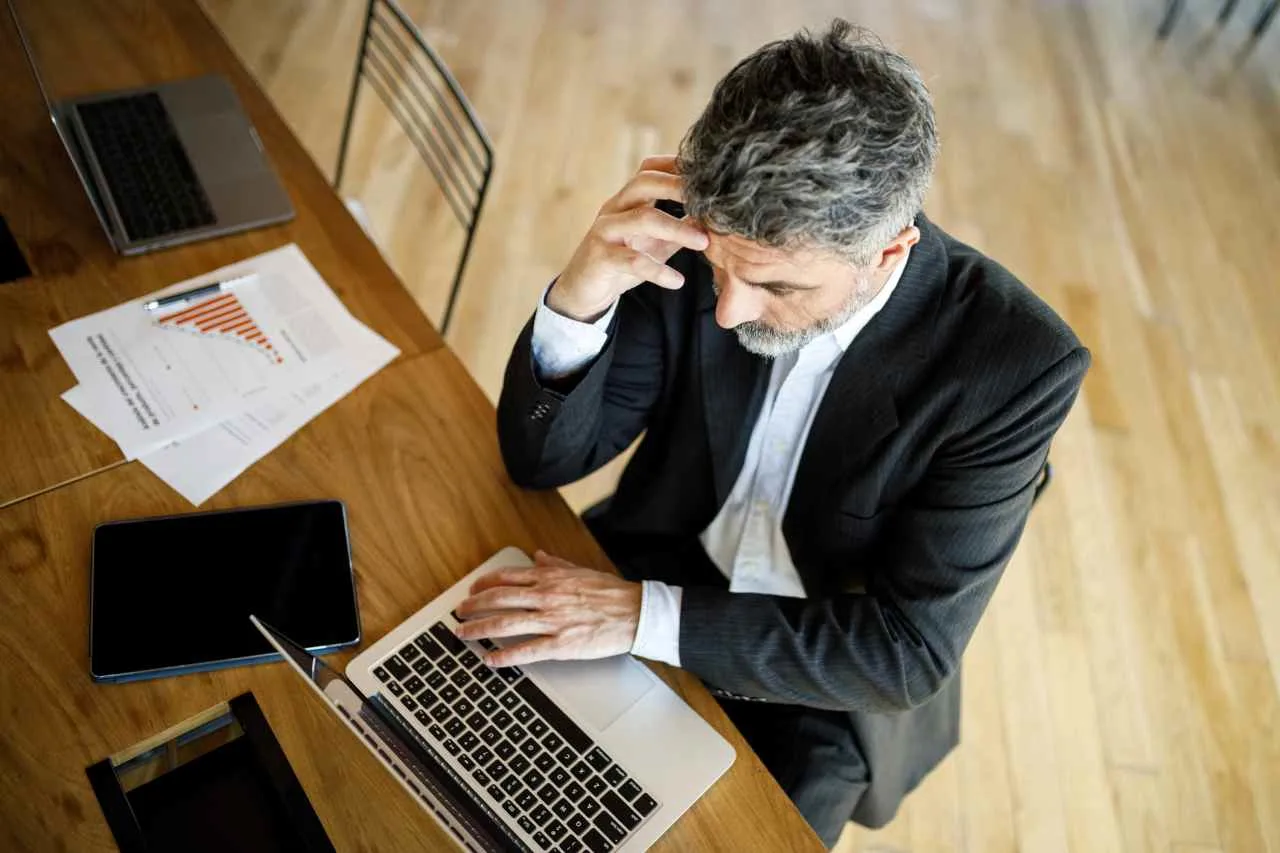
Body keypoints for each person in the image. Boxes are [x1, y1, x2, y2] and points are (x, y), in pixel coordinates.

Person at [455, 19, 1090, 847]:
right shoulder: (698, 228)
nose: (728, 311)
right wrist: (581, 294)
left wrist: (641, 616)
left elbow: (904, 652)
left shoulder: (1015, 364)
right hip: (652, 556)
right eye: (720, 269)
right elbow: (542, 460)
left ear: (888, 250)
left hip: (824, 680)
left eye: (778, 288)